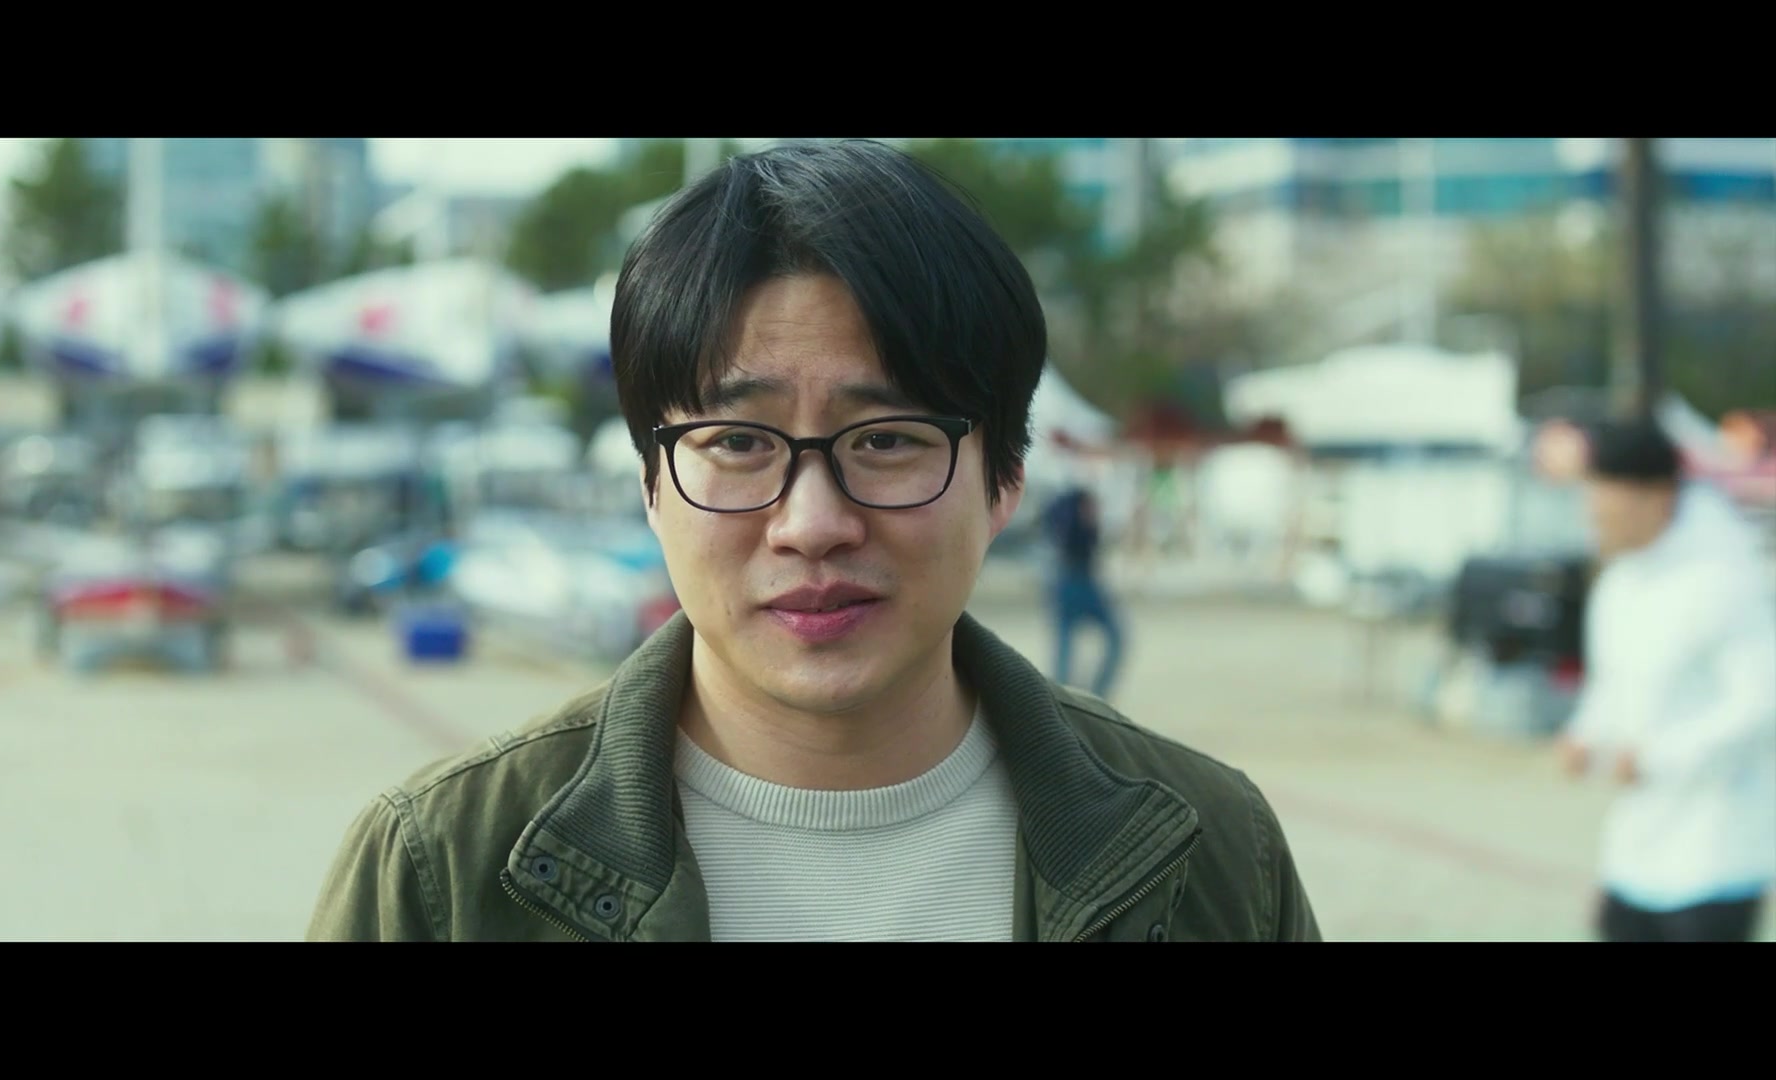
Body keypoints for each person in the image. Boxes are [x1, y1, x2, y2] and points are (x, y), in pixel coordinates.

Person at [306, 139, 1320, 942]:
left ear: (1006, 478)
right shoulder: (442, 873)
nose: (813, 525)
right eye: (738, 443)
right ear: (651, 483)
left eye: (887, 440)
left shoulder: (1216, 856)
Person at [1557, 414, 1776, 943]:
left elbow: (1762, 701)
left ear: (1656, 497)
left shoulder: (1726, 577)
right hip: (1634, 852)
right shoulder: (1620, 580)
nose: (1594, 517)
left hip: (1716, 856)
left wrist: (1660, 757)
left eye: (1605, 505)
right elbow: (1612, 683)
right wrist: (1586, 733)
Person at [1042, 484, 1125, 699]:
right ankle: (1081, 697)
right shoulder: (1073, 523)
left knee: (1066, 649)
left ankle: (1080, 697)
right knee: (1065, 650)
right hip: (1074, 580)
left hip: (1076, 579)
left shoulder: (1070, 522)